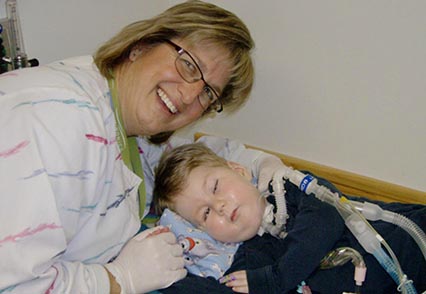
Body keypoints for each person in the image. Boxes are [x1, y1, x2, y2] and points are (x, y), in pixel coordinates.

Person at [0, 1, 286, 293]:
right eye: (188, 64)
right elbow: (13, 285)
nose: (189, 96)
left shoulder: (133, 127)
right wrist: (119, 279)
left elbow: (200, 155)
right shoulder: (56, 120)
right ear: (141, 45)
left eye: (207, 94)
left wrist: (264, 164)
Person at [153, 142, 426, 294]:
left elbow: (323, 224)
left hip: (414, 239)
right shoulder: (253, 258)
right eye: (206, 213)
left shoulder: (291, 187)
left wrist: (277, 278)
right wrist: (168, 280)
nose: (220, 206)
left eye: (215, 188)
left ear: (239, 170)